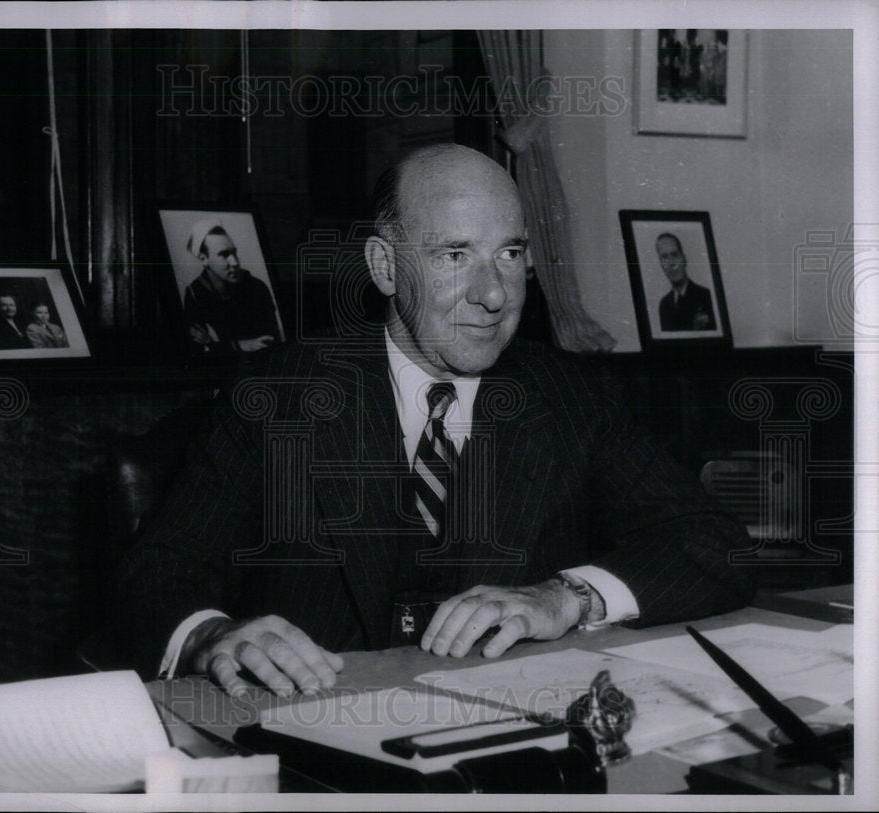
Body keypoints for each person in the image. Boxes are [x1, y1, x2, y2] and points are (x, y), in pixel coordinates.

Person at [115, 144, 753, 698]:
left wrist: (564, 597)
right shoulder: (278, 394)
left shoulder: (570, 393)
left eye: (509, 254)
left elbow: (715, 544)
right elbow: (158, 573)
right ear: (386, 266)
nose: (495, 293)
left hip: (510, 741)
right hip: (313, 740)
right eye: (455, 255)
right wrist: (214, 635)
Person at [182, 222, 281, 354]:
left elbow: (267, 342)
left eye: (234, 252)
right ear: (204, 259)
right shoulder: (194, 293)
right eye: (224, 255)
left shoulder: (257, 287)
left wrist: (215, 345)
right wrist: (240, 345)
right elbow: (197, 351)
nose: (234, 262)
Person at [655, 233, 717, 332]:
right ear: (661, 265)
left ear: (684, 259)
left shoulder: (707, 296)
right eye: (664, 257)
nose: (671, 263)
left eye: (674, 254)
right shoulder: (664, 305)